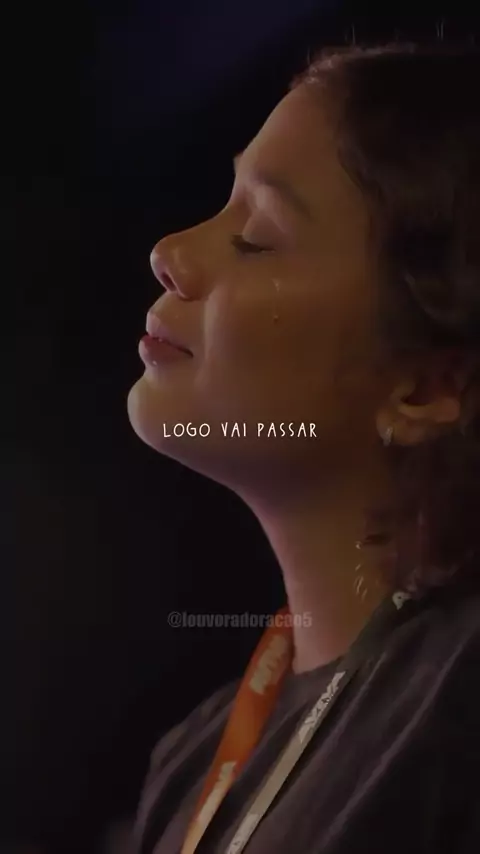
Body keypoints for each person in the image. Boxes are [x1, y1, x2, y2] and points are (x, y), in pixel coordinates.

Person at [127, 42, 480, 854]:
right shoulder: (195, 758)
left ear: (427, 387)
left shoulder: (456, 712)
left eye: (256, 237)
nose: (170, 253)